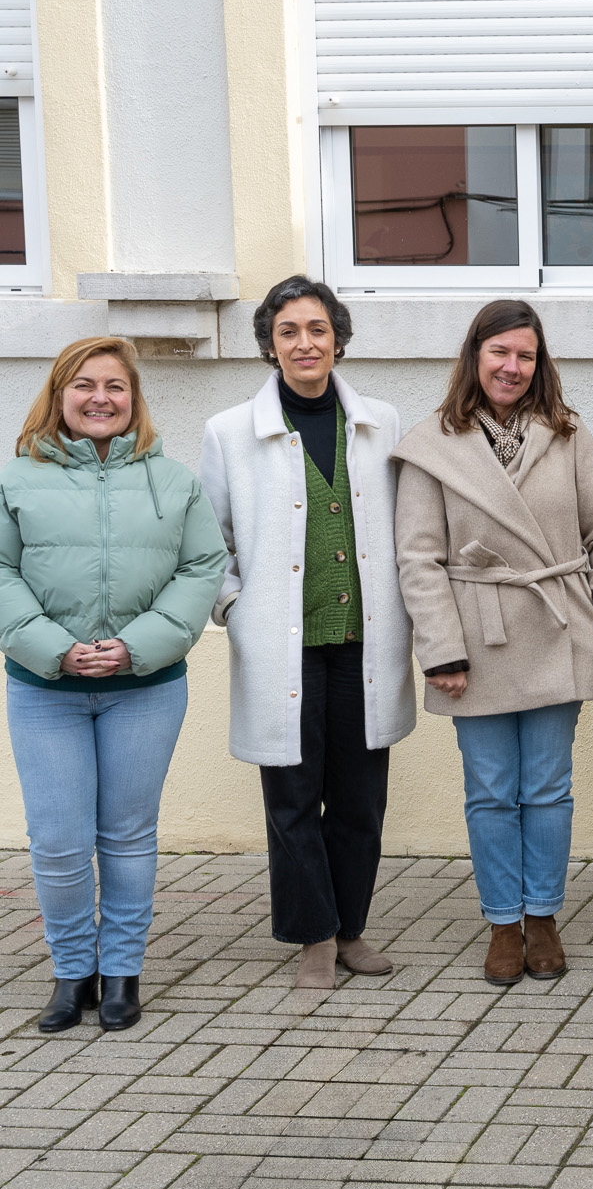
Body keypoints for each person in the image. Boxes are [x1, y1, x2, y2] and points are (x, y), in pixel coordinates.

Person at [394, 300, 593, 987]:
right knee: (492, 790)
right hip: (476, 639)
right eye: (500, 352)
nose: (512, 366)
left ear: (539, 364)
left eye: (525, 355)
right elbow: (418, 557)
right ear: (475, 356)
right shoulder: (430, 444)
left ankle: (544, 916)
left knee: (549, 788)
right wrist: (440, 648)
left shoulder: (569, 434)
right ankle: (502, 921)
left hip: (559, 627)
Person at [0, 337, 225, 1032]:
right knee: (59, 841)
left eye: (116, 387)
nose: (101, 398)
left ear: (134, 399)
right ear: (58, 396)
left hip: (145, 688)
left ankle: (122, 973)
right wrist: (56, 650)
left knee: (127, 835)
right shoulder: (16, 479)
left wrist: (137, 647)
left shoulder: (175, 481)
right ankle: (73, 975)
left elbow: (203, 567)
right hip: (44, 691)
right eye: (85, 385)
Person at [201, 276, 416, 991]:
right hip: (280, 647)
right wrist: (235, 609)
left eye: (317, 329)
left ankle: (352, 927)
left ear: (338, 340)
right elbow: (211, 543)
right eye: (289, 330)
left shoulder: (381, 421)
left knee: (360, 798)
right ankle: (314, 938)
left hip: (363, 643)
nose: (304, 343)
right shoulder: (230, 432)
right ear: (269, 343)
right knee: (293, 799)